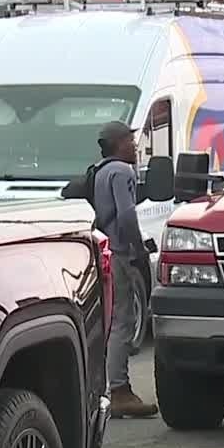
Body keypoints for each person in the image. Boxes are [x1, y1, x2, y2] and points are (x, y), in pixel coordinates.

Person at [93, 121, 158, 419]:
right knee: (123, 321)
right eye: (130, 140)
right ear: (117, 143)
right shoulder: (122, 171)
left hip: (104, 252)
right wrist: (138, 249)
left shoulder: (101, 170)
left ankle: (109, 388)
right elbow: (127, 214)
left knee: (112, 322)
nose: (134, 145)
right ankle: (119, 390)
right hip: (119, 254)